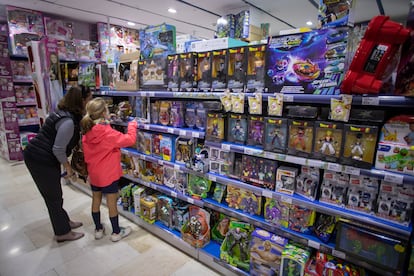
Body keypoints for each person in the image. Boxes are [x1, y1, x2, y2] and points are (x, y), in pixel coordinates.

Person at [23, 85, 93, 242]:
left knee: (56, 195)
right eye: (89, 98)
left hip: (43, 156)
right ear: (81, 101)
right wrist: (68, 167)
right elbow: (58, 148)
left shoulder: (63, 113)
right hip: (39, 159)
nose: (91, 101)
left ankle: (64, 222)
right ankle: (62, 233)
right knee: (53, 197)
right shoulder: (68, 122)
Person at [81, 97, 137, 242]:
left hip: (94, 173)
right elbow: (129, 140)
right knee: (112, 202)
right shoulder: (107, 133)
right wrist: (132, 125)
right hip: (108, 174)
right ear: (103, 113)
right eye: (107, 109)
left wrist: (107, 121)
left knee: (96, 199)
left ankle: (98, 229)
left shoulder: (88, 130)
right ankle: (116, 232)